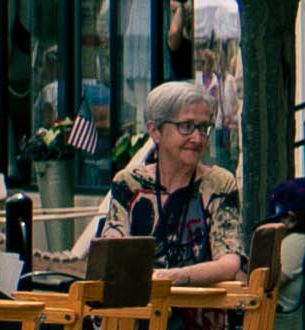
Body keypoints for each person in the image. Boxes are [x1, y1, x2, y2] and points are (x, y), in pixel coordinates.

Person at [103, 79, 243, 281]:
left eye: (203, 127)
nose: (198, 138)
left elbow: (230, 263)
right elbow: (111, 253)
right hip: (141, 308)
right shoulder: (129, 183)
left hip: (200, 306)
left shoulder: (219, 183)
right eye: (186, 126)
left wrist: (174, 277)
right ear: (155, 131)